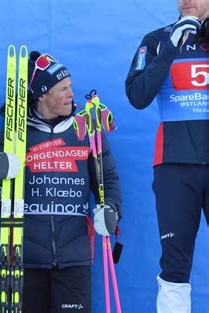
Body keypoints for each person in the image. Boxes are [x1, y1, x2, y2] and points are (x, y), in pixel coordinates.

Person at [0, 51, 122, 313]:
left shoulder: (86, 128)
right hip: (24, 258)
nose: (71, 93)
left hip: (75, 257)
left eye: (70, 87)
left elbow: (109, 179)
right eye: (62, 89)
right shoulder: (15, 134)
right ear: (42, 95)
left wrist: (111, 209)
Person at [125, 1, 209, 312]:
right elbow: (137, 96)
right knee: (174, 267)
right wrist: (169, 48)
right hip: (174, 167)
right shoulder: (156, 40)